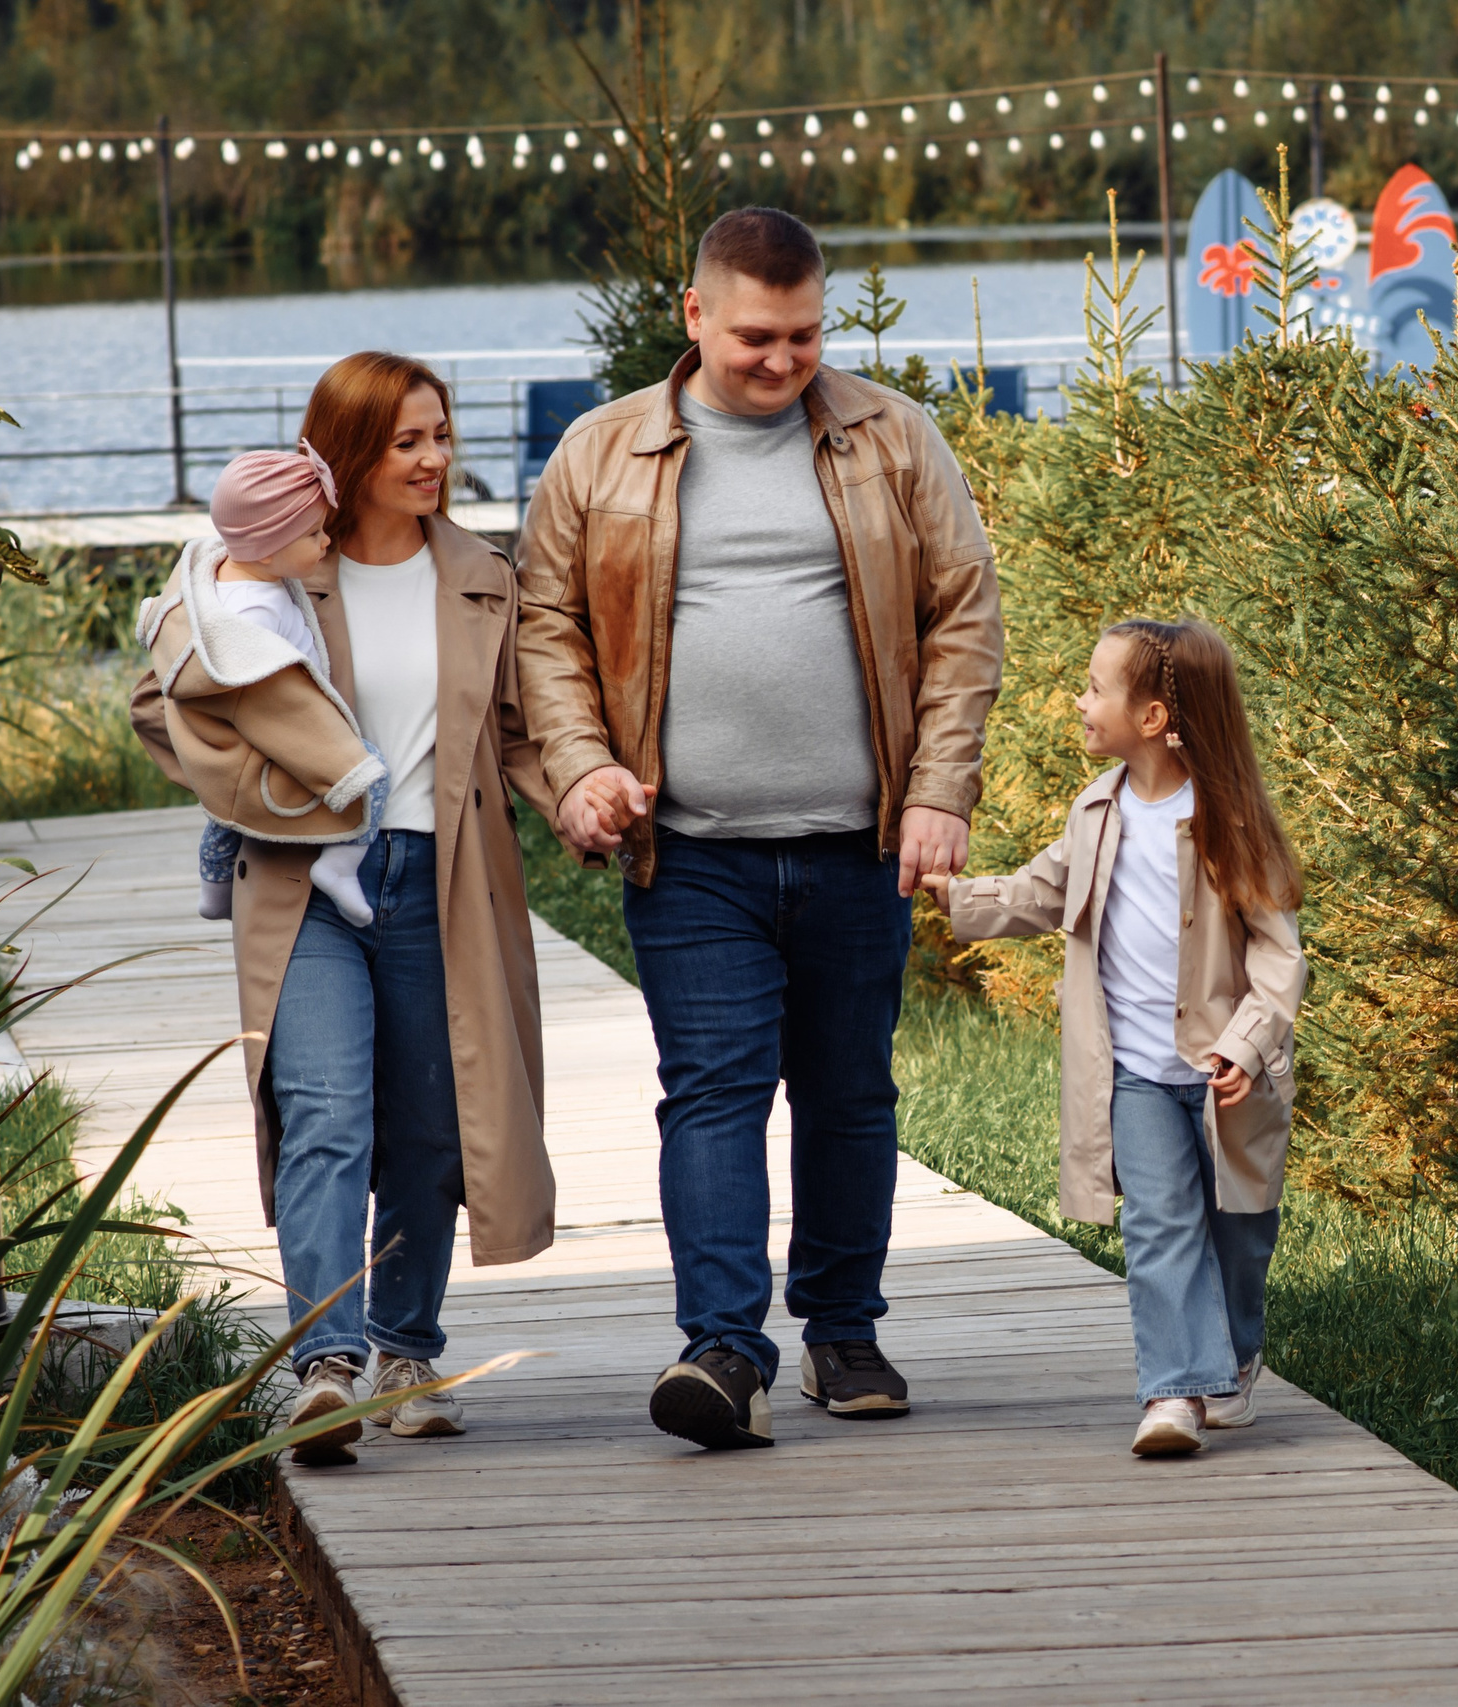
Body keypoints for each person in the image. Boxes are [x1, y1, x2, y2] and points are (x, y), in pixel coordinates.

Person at [518, 206, 1003, 1451]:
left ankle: (843, 1334)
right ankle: (725, 1353)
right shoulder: (602, 451)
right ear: (695, 317)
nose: (782, 361)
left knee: (848, 1096)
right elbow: (547, 632)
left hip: (856, 844)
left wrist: (941, 790)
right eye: (753, 338)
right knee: (715, 1095)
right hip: (691, 854)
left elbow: (962, 617)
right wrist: (578, 770)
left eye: (801, 337)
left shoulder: (893, 438)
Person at [132, 351, 560, 1466]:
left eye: (441, 435)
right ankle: (323, 1369)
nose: (433, 458)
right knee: (326, 1117)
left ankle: (406, 1354)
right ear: (349, 454)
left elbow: (516, 733)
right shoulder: (269, 569)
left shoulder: (482, 575)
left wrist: (588, 802)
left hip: (443, 879)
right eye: (407, 440)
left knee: (427, 1125)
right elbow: (158, 703)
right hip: (304, 886)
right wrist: (264, 797)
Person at [929, 619, 1305, 1457]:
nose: (1079, 699)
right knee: (1161, 1225)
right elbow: (1042, 891)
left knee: (1241, 1231)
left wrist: (1244, 1047)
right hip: (1132, 1072)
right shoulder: (1097, 808)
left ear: (1153, 716)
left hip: (1221, 1076)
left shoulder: (1225, 819)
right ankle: (1173, 1395)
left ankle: (1235, 1356)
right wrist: (952, 897)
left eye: (1096, 687)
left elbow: (1281, 957)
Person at [144, 445, 389, 929]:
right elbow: (264, 692)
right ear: (270, 545)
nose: (325, 542)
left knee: (222, 814)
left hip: (237, 749)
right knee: (370, 772)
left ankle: (214, 889)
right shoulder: (255, 611)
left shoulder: (229, 580)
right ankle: (340, 867)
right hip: (271, 732)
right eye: (314, 533)